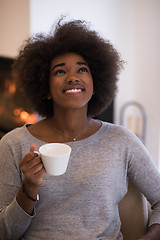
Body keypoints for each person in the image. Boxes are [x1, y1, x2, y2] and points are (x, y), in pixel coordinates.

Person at [0, 19, 160, 240]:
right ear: (45, 88)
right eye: (59, 72)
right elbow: (5, 233)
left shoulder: (121, 140)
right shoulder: (13, 143)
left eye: (82, 69)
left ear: (95, 84)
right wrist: (29, 189)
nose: (72, 77)